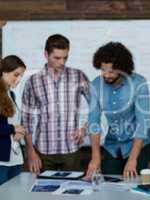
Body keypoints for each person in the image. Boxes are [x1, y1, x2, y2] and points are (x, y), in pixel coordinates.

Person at [21, 34, 92, 174]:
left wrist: (84, 128)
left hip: (72, 150)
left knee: (73, 193)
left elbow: (96, 106)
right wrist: (30, 152)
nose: (62, 62)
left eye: (65, 57)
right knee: (44, 194)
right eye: (57, 58)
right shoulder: (33, 81)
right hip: (43, 151)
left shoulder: (79, 76)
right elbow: (26, 119)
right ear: (46, 54)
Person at [87, 42, 150, 178]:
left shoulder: (139, 83)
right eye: (103, 70)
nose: (106, 75)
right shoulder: (95, 85)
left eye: (111, 71)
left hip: (137, 145)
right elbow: (94, 122)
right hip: (113, 145)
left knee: (134, 184)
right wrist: (95, 157)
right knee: (109, 184)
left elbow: (143, 124)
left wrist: (133, 159)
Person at [0, 55, 27, 185]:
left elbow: (12, 122)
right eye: (16, 75)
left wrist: (18, 132)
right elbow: (9, 126)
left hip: (15, 157)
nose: (19, 79)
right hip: (1, 160)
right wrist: (13, 129)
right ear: (4, 72)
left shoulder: (11, 94)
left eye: (21, 76)